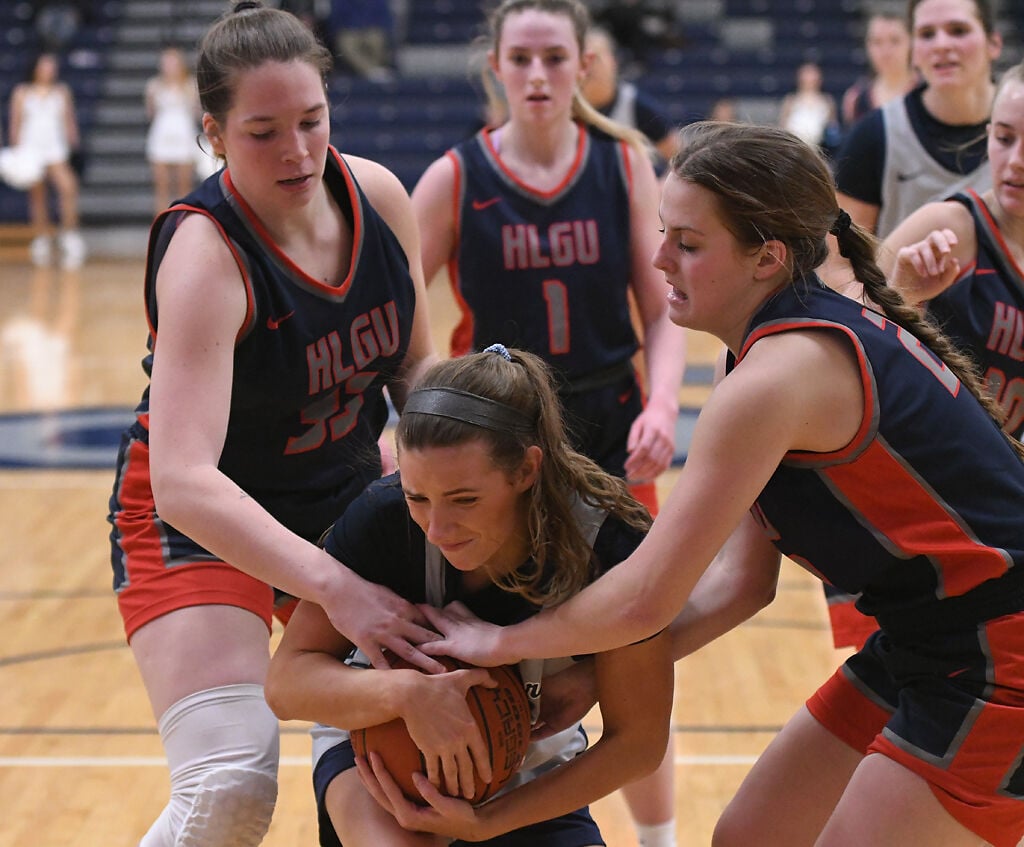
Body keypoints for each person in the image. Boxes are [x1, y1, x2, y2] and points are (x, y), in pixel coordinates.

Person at [414, 121, 1024, 847]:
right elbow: (739, 583)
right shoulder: (769, 352)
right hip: (932, 642)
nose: (659, 258)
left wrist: (503, 641)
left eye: (689, 243)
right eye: (665, 233)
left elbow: (646, 594)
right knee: (749, 837)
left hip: (1002, 655)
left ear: (767, 257)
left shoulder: (777, 377)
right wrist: (592, 677)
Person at [105, 3, 439, 845]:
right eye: (263, 132)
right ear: (214, 134)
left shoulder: (379, 197)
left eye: (312, 120)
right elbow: (184, 481)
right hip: (201, 520)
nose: (296, 150)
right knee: (229, 784)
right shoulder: (205, 255)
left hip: (342, 499)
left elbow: (417, 373)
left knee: (406, 748)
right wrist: (338, 588)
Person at [410, 4, 687, 842]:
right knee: (496, 660)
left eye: (554, 57)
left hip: (606, 434)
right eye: (522, 58)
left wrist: (664, 403)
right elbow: (398, 317)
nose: (538, 74)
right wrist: (414, 423)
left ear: (584, 64)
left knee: (636, 650)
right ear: (495, 64)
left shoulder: (623, 163)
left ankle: (658, 839)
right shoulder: (455, 176)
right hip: (492, 450)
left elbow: (663, 308)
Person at [265, 345, 674, 847]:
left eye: (464, 500)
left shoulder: (606, 542)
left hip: (526, 765)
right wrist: (407, 695)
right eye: (417, 497)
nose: (437, 528)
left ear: (526, 470)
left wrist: (489, 823)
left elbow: (638, 742)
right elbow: (286, 683)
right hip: (379, 760)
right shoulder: (383, 520)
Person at [878, 60, 1024, 441]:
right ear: (988, 136)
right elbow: (844, 333)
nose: (1016, 161)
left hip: (997, 468)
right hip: (915, 458)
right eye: (1004, 139)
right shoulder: (948, 226)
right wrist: (902, 296)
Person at [833, 0, 1003, 238]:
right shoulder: (871, 135)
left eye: (958, 30)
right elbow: (841, 254)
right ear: (913, 52)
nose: (941, 45)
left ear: (994, 43)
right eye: (927, 34)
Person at [7, 51, 84, 268]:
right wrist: (17, 152)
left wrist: (74, 146)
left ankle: (69, 235)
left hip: (56, 150)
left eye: (52, 66)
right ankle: (42, 237)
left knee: (68, 188)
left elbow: (69, 122)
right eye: (45, 65)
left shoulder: (61, 92)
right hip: (32, 150)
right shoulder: (22, 92)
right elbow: (15, 124)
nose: (49, 70)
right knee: (38, 196)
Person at [580, 25, 680, 166]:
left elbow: (680, 159)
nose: (590, 67)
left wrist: (659, 180)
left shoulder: (637, 106)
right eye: (583, 60)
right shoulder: (566, 107)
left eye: (595, 58)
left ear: (613, 61)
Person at [145, 46, 201, 215]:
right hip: (162, 133)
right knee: (161, 187)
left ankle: (183, 222)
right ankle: (161, 223)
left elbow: (197, 112)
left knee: (184, 185)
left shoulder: (190, 85)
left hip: (184, 132)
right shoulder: (154, 86)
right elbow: (150, 113)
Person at [840, 10, 916, 128]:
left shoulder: (928, 94)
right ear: (867, 45)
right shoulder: (855, 99)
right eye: (877, 42)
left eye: (895, 41)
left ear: (911, 42)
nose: (886, 51)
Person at [777, 62, 840, 155]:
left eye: (813, 74)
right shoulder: (790, 100)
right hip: (795, 146)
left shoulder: (827, 100)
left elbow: (832, 127)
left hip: (819, 147)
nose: (810, 78)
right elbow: (783, 125)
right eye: (806, 74)